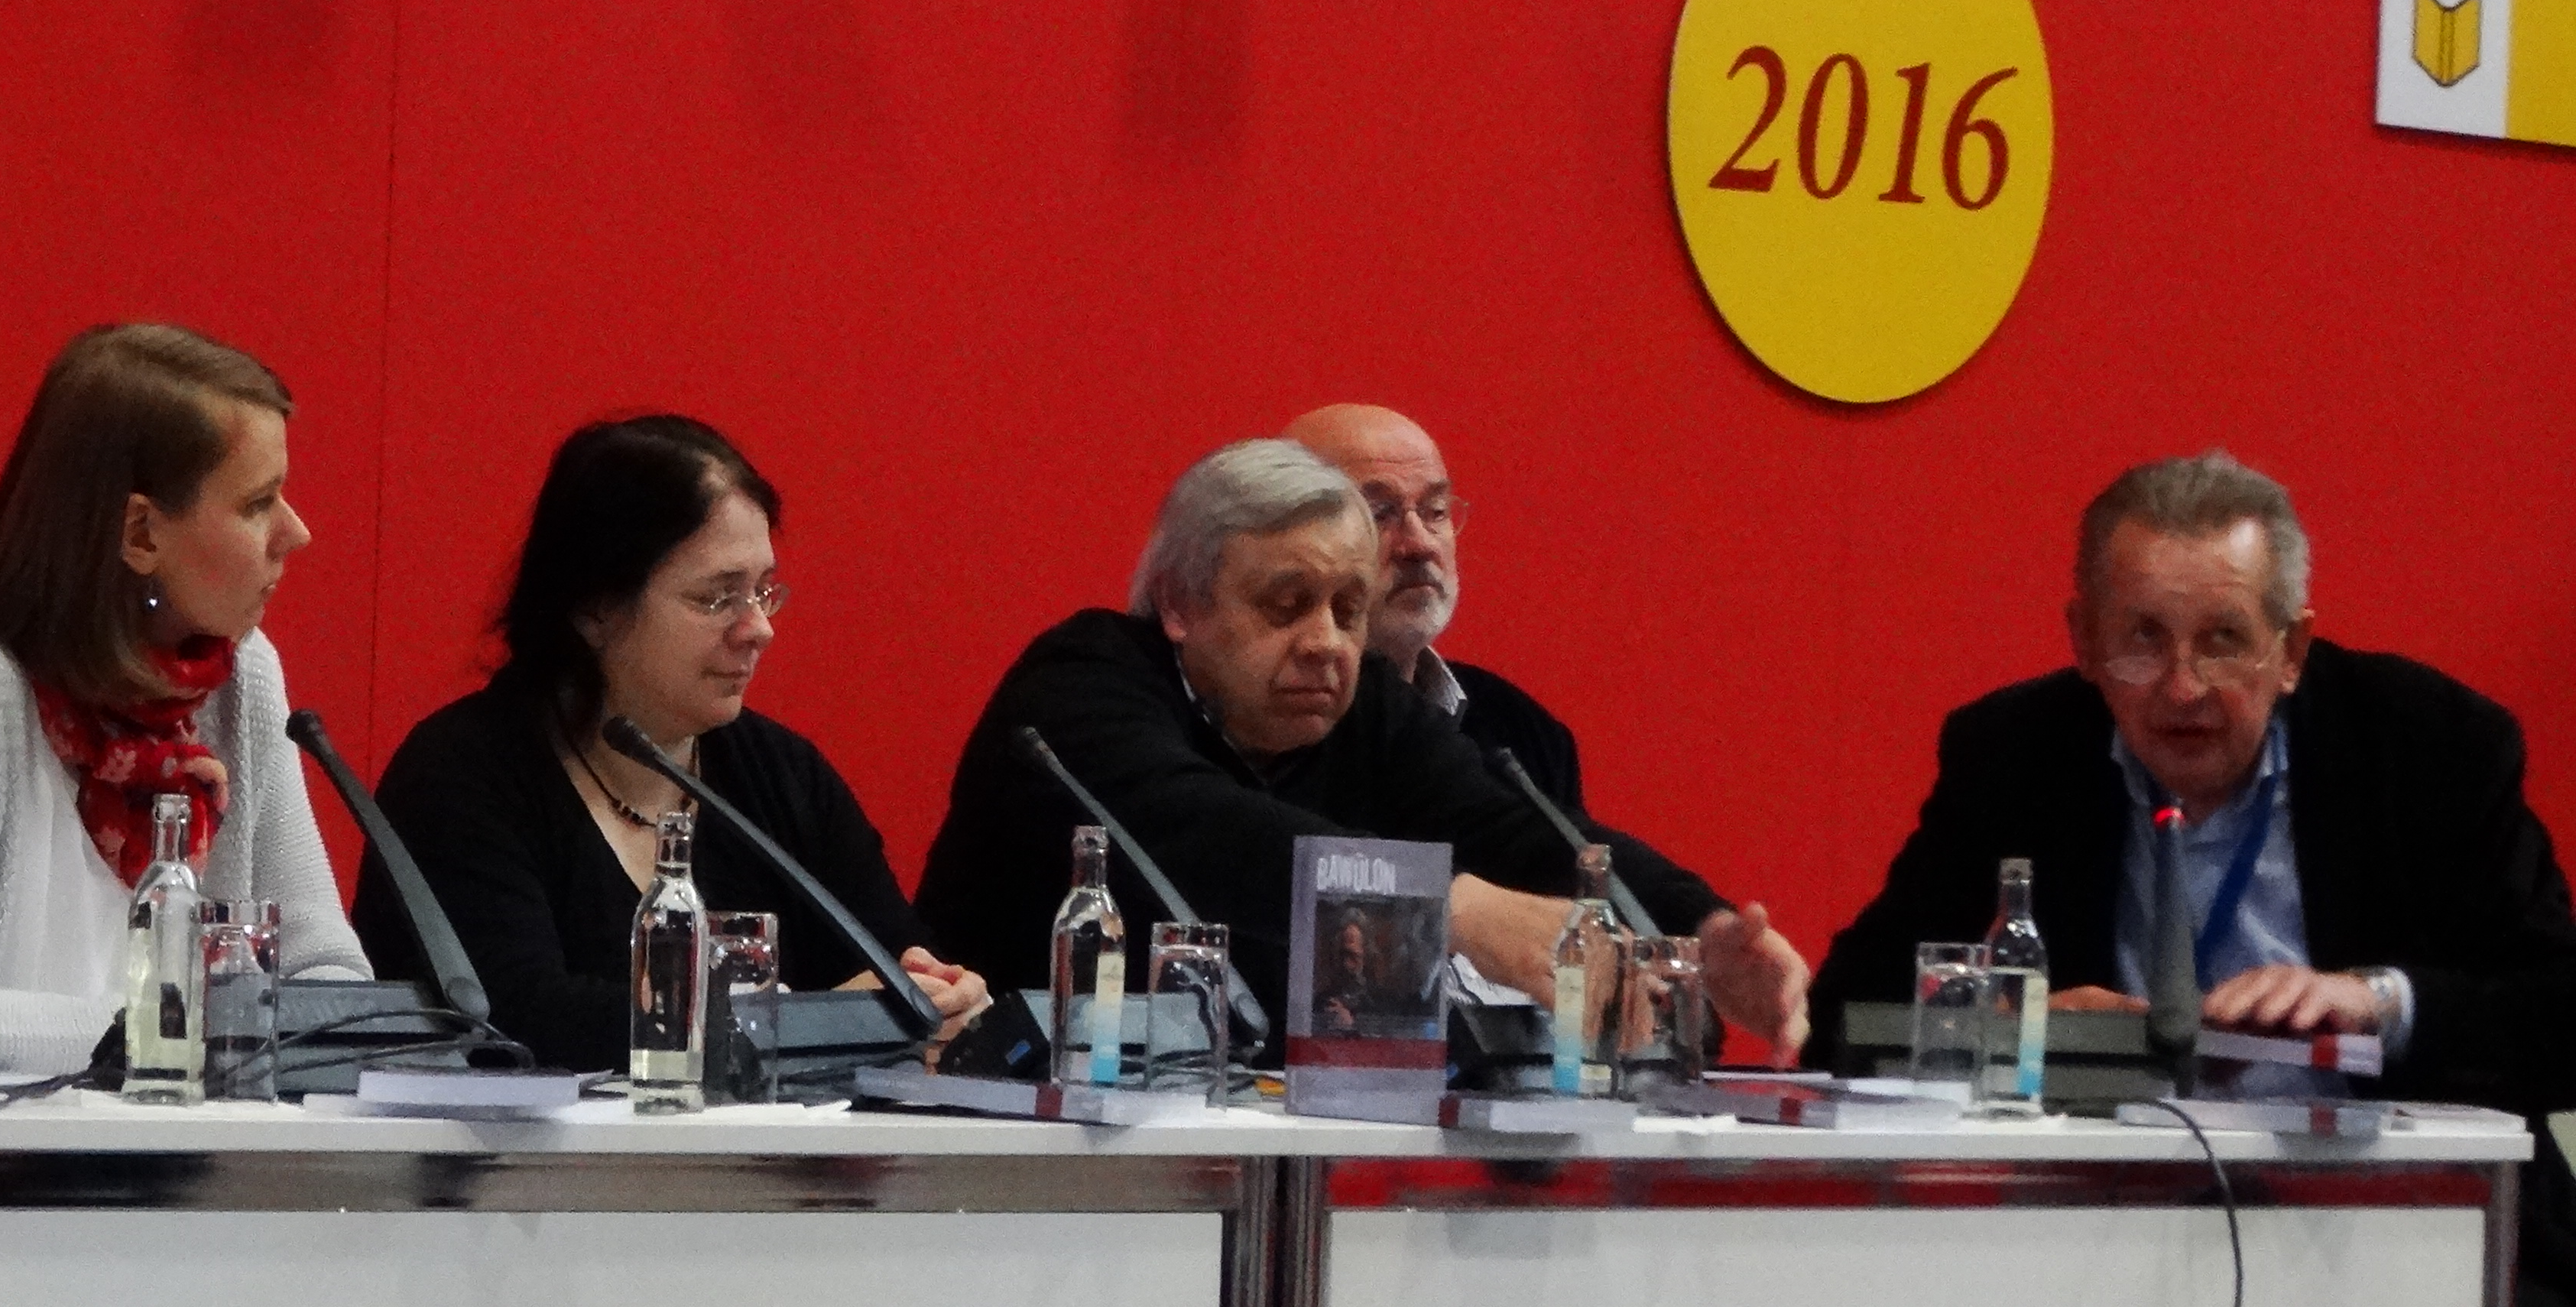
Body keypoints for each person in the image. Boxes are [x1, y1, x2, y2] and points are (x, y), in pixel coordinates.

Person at [1809, 449, 2576, 1307]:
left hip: (2416, 1216)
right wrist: (2014, 1023)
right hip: (2113, 1220)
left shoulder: (2432, 747)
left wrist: (2379, 1000)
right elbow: (1847, 1009)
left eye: (2225, 642)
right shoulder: (2013, 753)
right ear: (2083, 641)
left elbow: (2559, 1015)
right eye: (2142, 642)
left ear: (2292, 649)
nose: (2183, 689)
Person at [914, 438, 1809, 1049]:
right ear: (1182, 604)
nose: (1327, 643)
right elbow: (1202, 830)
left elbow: (1520, 831)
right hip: (1002, 1132)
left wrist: (1696, 931)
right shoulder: (1084, 681)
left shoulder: (1365, 710)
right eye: (1285, 604)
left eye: (1348, 609)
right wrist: (1445, 906)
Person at [356, 416, 985, 1072]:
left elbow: (896, 965)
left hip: (777, 1173)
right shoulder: (463, 775)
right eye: (718, 598)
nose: (759, 629)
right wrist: (801, 1024)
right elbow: (516, 1016)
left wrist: (944, 1001)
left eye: (764, 591)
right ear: (594, 607)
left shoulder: (783, 775)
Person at [0, 323, 368, 1073]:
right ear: (141, 532)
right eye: (258, 503)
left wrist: (187, 1038)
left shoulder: (242, 680)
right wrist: (163, 1035)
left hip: (182, 1178)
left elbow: (328, 983)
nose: (296, 533)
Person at [1288, 401, 1586, 815]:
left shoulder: (1522, 733)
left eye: (1436, 512)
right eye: (1378, 513)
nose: (1421, 544)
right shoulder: (1267, 723)